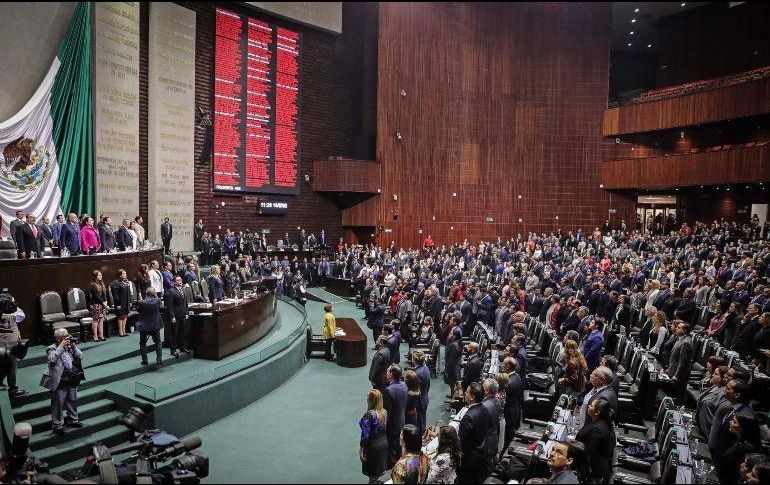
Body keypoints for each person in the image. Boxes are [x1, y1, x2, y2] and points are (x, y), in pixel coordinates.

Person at [41, 328, 83, 435]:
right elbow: (51, 359)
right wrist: (61, 346)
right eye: (65, 336)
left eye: (67, 335)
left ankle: (73, 420)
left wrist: (73, 346)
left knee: (72, 399)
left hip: (71, 377)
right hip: (59, 379)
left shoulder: (70, 346)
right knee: (58, 404)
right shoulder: (51, 348)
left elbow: (80, 356)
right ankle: (57, 425)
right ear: (58, 338)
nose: (68, 337)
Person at [457, 382, 491, 484]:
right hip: (480, 454)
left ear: (472, 397)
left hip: (468, 460)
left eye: (467, 392)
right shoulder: (484, 408)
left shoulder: (468, 418)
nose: (464, 393)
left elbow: (460, 441)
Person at [575, 398, 616, 483]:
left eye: (591, 406)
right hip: (600, 465)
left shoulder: (596, 430)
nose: (589, 406)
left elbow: (589, 453)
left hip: (593, 470)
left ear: (597, 412)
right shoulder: (605, 422)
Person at [717, 413, 762, 483]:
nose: (730, 422)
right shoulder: (738, 439)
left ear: (742, 428)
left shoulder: (746, 448)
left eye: (734, 422)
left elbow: (737, 473)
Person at [0, 293, 27, 398]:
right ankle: (13, 390)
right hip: (12, 345)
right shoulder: (15, 315)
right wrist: (12, 303)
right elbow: (22, 315)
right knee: (11, 367)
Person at [360, 389, 389, 483]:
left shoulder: (368, 415)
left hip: (372, 448)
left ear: (370, 400)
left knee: (372, 476)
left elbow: (365, 436)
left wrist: (361, 450)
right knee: (377, 472)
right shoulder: (384, 412)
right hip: (383, 444)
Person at [383, 364, 408, 468]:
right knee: (398, 445)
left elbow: (386, 412)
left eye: (388, 371)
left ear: (391, 374)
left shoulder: (389, 390)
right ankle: (399, 462)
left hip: (392, 424)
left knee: (391, 447)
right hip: (401, 420)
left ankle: (392, 467)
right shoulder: (404, 385)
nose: (386, 373)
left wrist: (384, 426)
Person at [665, 321, 693, 403]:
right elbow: (674, 357)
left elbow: (683, 362)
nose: (676, 328)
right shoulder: (681, 339)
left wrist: (676, 375)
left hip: (679, 375)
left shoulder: (686, 343)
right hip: (673, 370)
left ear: (684, 331)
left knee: (678, 396)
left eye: (679, 327)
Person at [165, 276, 190, 358]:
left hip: (183, 315)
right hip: (175, 316)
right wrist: (172, 316)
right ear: (174, 282)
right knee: (174, 333)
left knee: (183, 332)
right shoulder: (171, 292)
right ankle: (173, 350)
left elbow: (185, 303)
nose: (180, 281)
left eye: (180, 279)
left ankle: (183, 347)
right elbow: (170, 306)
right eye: (178, 280)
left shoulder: (182, 290)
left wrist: (187, 312)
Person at [502, 357, 524, 450]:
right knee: (510, 433)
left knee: (507, 435)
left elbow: (505, 401)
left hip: (509, 412)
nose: (502, 366)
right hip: (516, 409)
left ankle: (505, 455)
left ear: (508, 366)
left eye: (503, 364)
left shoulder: (509, 382)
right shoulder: (517, 376)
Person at [481, 378, 501, 470]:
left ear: (487, 390)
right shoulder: (497, 402)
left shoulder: (484, 407)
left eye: (483, 386)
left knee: (485, 468)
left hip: (485, 442)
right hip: (493, 439)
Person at [109, 269, 132, 337]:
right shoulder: (115, 283)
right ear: (120, 275)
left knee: (125, 316)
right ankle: (120, 331)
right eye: (124, 274)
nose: (125, 275)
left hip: (126, 302)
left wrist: (130, 301)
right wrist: (118, 304)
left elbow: (129, 293)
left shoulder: (126, 282)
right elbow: (115, 295)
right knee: (121, 316)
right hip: (120, 302)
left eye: (125, 273)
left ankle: (124, 330)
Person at [87, 270, 108, 342]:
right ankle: (95, 336)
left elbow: (104, 294)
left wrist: (105, 302)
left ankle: (101, 335)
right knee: (95, 320)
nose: (100, 276)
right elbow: (96, 296)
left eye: (101, 275)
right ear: (95, 276)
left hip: (101, 304)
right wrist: (103, 303)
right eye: (99, 275)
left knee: (101, 320)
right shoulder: (92, 285)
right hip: (95, 304)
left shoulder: (101, 283)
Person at [412, 350, 430, 433]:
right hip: (425, 397)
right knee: (422, 420)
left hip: (419, 402)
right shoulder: (425, 368)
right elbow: (428, 386)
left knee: (419, 424)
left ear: (414, 360)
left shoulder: (417, 373)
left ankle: (421, 439)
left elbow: (416, 391)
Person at [444, 329, 462, 398]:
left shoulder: (453, 345)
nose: (450, 335)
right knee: (454, 383)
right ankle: (452, 396)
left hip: (452, 367)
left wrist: (447, 369)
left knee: (453, 383)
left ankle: (453, 400)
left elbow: (450, 359)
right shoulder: (459, 342)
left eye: (451, 334)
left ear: (454, 336)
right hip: (456, 365)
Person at [404, 370, 423, 436]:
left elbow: (404, 410)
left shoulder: (408, 396)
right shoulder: (418, 392)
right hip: (416, 418)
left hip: (408, 420)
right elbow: (420, 408)